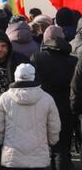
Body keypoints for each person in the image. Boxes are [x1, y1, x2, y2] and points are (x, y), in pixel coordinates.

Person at [0, 64, 60, 170]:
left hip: (12, 158)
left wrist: (0, 142)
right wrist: (51, 141)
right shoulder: (47, 98)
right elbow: (54, 127)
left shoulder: (4, 98)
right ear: (33, 76)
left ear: (15, 76)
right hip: (39, 159)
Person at [32, 26, 76, 170]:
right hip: (66, 108)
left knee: (42, 148)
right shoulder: (73, 61)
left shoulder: (38, 58)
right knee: (62, 149)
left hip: (41, 108)